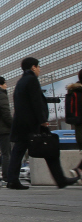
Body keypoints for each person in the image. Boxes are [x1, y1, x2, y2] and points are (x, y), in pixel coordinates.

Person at [6, 57, 79, 189]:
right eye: (38, 67)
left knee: (19, 151)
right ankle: (60, 179)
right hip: (32, 123)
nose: (40, 69)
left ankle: (12, 180)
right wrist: (42, 120)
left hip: (22, 123)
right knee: (50, 150)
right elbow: (36, 102)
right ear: (33, 67)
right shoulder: (32, 80)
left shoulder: (21, 81)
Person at [66, 69, 82, 178]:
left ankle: (79, 169)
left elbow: (69, 113)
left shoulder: (73, 92)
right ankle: (79, 169)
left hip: (78, 127)